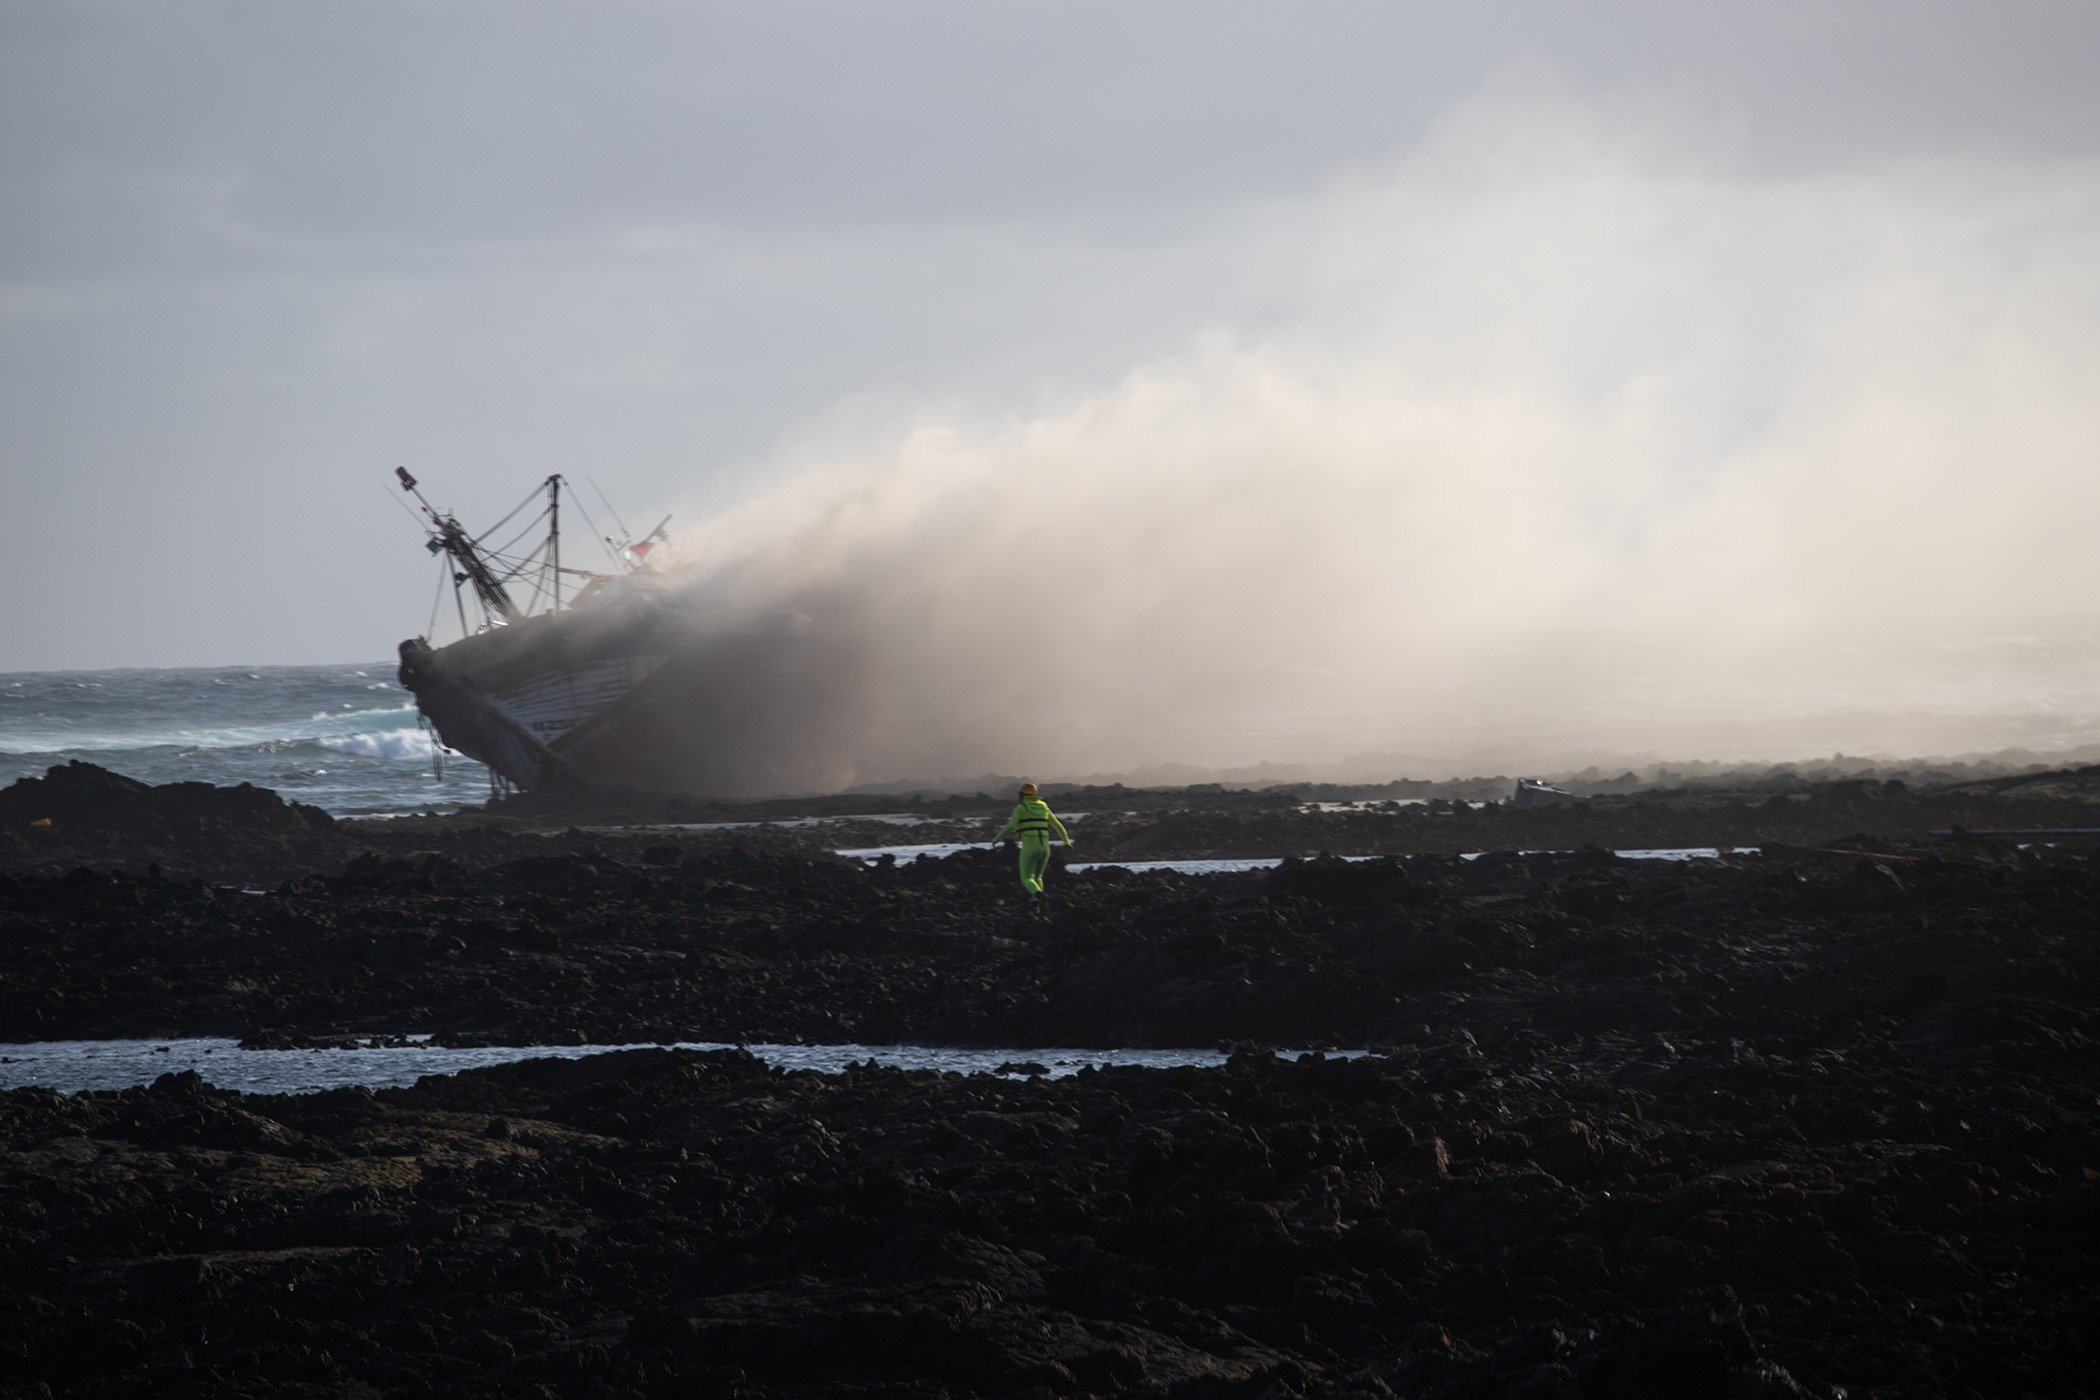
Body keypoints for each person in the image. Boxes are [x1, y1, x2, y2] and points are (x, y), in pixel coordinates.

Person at [992, 782, 1073, 903]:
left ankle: (1037, 894)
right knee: (1038, 877)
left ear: (1021, 795)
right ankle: (1038, 903)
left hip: (1030, 848)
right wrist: (1066, 841)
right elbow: (1058, 826)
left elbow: (1011, 826)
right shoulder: (1044, 806)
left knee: (1026, 878)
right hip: (1045, 848)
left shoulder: (1021, 808)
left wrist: (997, 838)